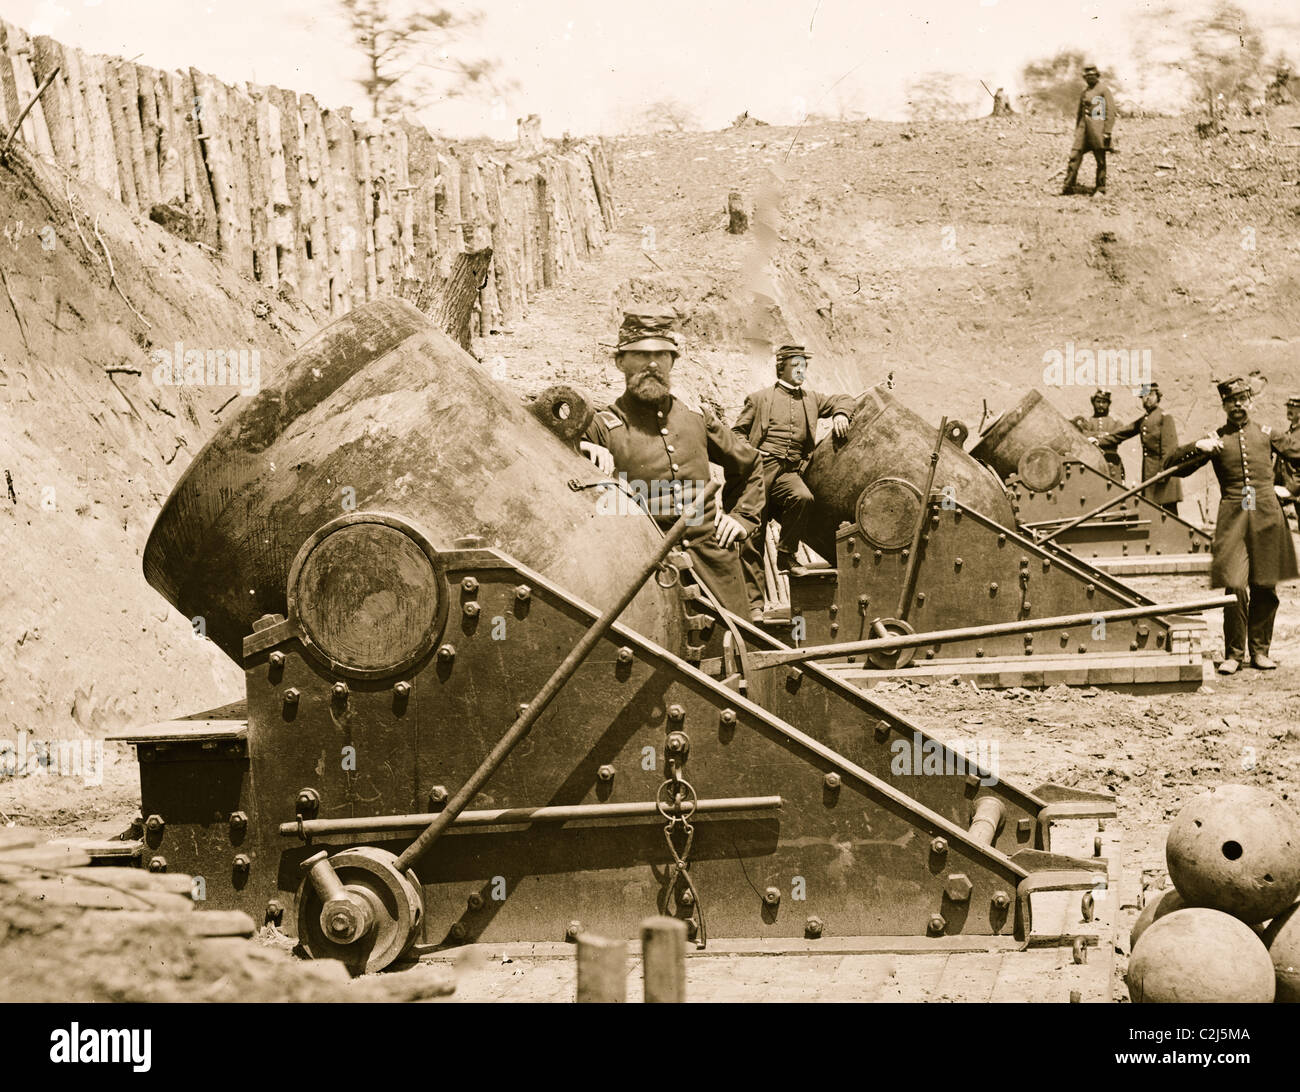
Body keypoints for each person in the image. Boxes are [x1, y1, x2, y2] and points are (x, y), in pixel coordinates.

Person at [579, 307, 764, 616]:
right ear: (619, 361)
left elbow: (750, 464)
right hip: (647, 576)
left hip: (716, 566)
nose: (652, 363)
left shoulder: (697, 416)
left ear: (673, 361)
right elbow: (560, 471)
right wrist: (582, 452)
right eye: (640, 355)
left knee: (737, 655)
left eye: (662, 355)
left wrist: (743, 518)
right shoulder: (602, 426)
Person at [1165, 377, 1299, 674]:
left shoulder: (1267, 434)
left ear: (1251, 402)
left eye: (1242, 399)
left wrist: (1292, 489)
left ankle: (1260, 651)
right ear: (1224, 405)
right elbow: (1171, 465)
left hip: (1266, 517)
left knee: (1264, 585)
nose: (1238, 405)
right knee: (1235, 585)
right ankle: (1234, 654)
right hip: (1232, 519)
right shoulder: (1215, 439)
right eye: (1231, 401)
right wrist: (1197, 446)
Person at [732, 345, 855, 621]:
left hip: (788, 472)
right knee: (753, 535)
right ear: (781, 368)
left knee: (803, 498)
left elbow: (845, 399)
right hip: (758, 472)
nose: (801, 371)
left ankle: (785, 553)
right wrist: (751, 453)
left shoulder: (811, 399)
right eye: (795, 366)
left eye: (804, 366)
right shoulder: (759, 399)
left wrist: (840, 414)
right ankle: (753, 606)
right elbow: (736, 433)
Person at [1091, 382, 1182, 513]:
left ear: (1158, 396)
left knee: (1170, 513)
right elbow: (1122, 433)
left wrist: (1163, 474)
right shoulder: (1145, 419)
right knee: (1153, 513)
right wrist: (1098, 441)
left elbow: (1170, 450)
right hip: (1150, 472)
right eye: (1144, 396)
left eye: (1151, 395)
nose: (1147, 398)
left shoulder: (1164, 417)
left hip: (1163, 474)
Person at [1062, 63, 1115, 196]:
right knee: (1074, 156)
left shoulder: (1104, 90)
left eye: (1092, 75)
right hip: (1083, 130)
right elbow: (1079, 113)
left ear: (1097, 76)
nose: (1089, 78)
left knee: (1100, 160)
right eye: (1087, 76)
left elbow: (1111, 111)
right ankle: (1068, 186)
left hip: (1098, 130)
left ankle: (1100, 188)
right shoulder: (1084, 92)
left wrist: (1107, 131)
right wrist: (1077, 130)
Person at [1075, 389, 1125, 480]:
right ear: (1093, 403)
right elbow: (1083, 435)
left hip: (1111, 461)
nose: (1101, 405)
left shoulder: (1116, 422)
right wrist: (1104, 434)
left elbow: (1116, 437)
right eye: (1098, 402)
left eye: (1104, 402)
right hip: (1093, 462)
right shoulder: (1088, 422)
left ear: (1109, 404)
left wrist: (1094, 436)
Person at [1273, 395, 1300, 525]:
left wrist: (1292, 489)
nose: (1290, 410)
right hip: (1287, 489)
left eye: (1294, 407)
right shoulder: (1288, 433)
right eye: (1289, 407)